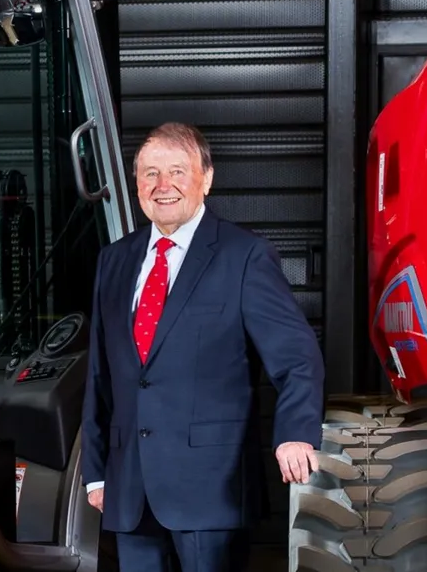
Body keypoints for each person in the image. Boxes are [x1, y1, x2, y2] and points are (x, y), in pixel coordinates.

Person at [80, 122, 326, 571]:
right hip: (129, 488)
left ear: (206, 179)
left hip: (211, 489)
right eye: (150, 173)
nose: (163, 185)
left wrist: (295, 432)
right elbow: (100, 375)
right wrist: (96, 472)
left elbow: (296, 355)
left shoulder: (244, 255)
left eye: (177, 171)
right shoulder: (114, 260)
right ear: (137, 184)